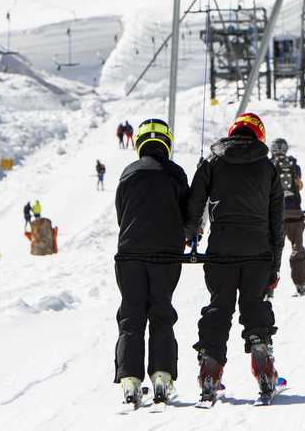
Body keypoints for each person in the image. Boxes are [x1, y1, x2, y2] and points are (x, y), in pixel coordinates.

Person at [185, 112, 284, 403]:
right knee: (254, 306)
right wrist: (274, 267)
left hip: (221, 248)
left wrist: (193, 235)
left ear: (232, 133)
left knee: (220, 307)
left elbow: (194, 207)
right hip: (258, 249)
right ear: (259, 136)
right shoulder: (269, 168)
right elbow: (276, 223)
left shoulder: (213, 163)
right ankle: (264, 366)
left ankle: (209, 373)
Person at [113, 118, 189, 408]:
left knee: (131, 314)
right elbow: (188, 214)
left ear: (139, 143)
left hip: (129, 254)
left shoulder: (128, 173)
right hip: (166, 254)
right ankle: (161, 376)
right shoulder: (176, 173)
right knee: (161, 311)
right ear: (166, 143)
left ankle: (130, 380)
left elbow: (122, 215)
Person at [270, 138, 305, 297]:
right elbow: (299, 187)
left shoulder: (267, 165)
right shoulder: (294, 166)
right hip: (294, 214)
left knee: (271, 250)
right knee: (297, 249)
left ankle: (268, 286)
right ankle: (300, 285)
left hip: (273, 215)